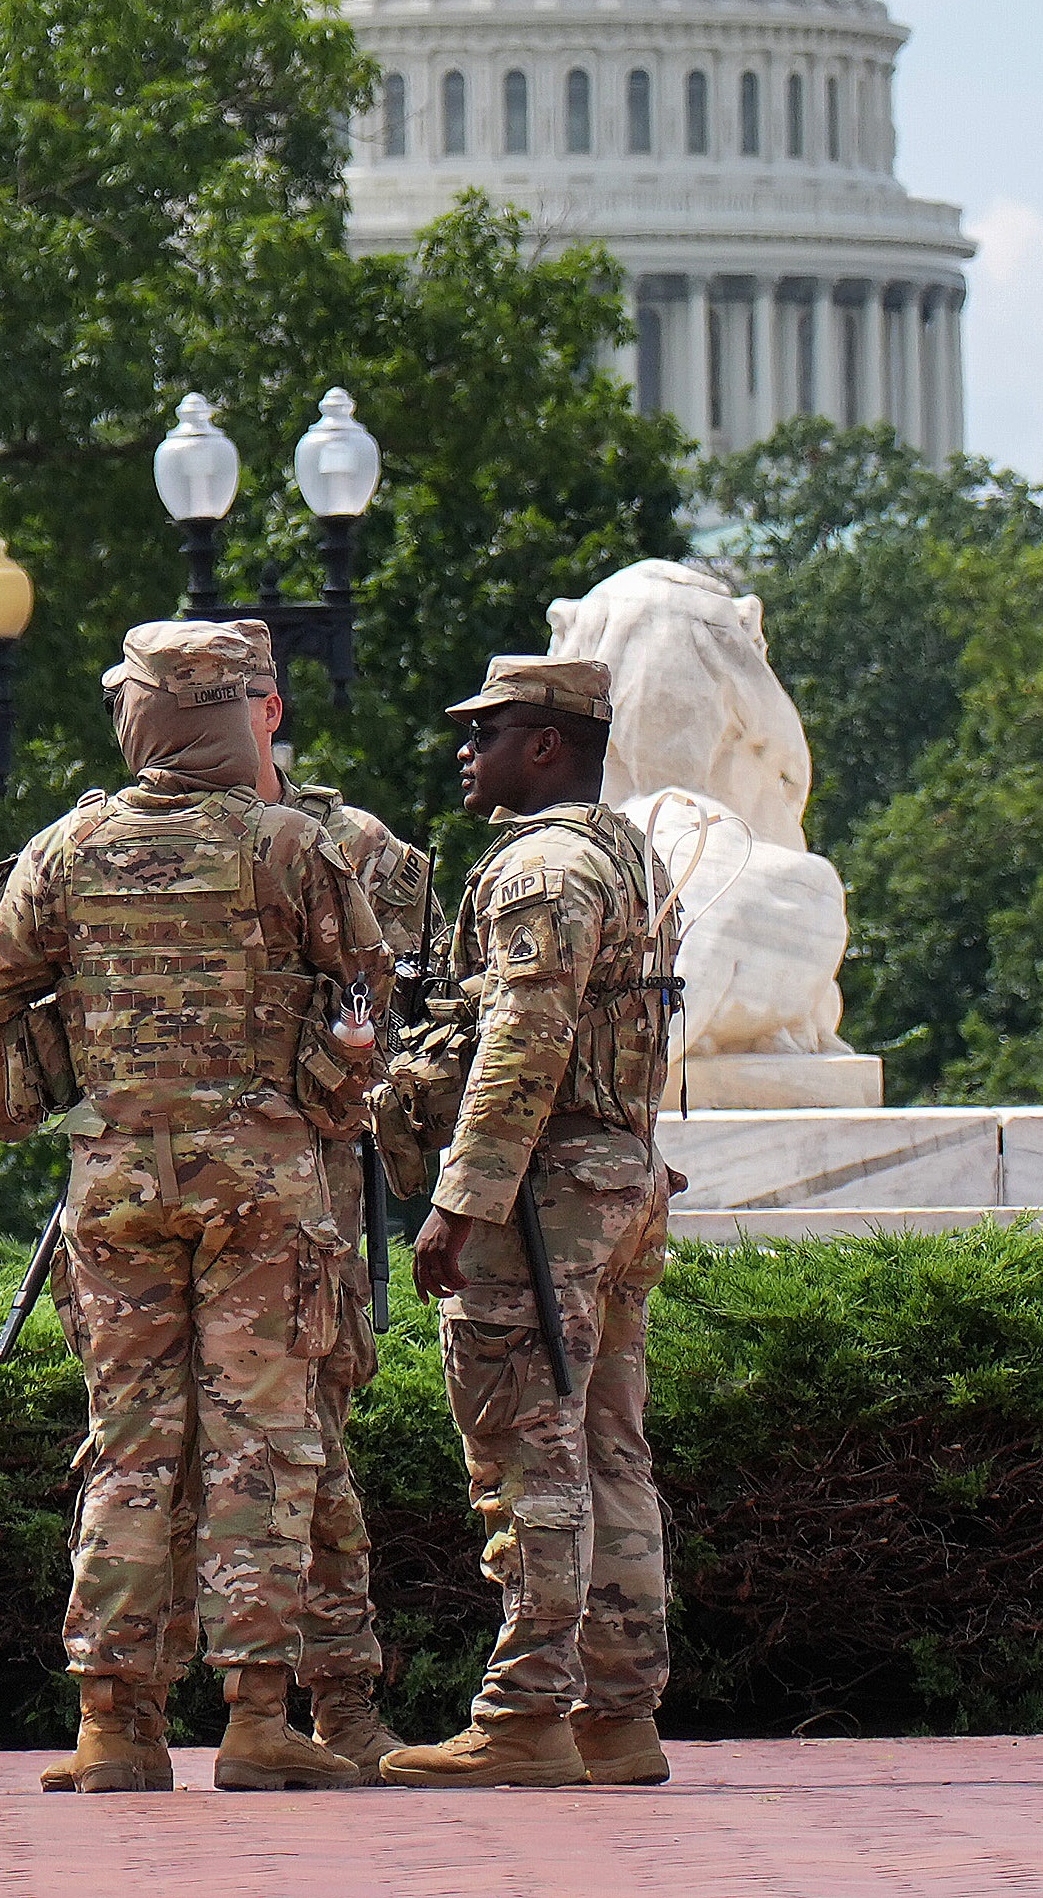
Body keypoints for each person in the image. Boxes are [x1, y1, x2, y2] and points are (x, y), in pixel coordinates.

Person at [0, 622, 385, 1794]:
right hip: (263, 1188)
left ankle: (113, 1725)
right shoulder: (291, 846)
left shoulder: (64, 847)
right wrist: (326, 1096)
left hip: (115, 1182)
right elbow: (363, 1009)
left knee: (129, 1450)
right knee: (258, 1443)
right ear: (243, 715)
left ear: (138, 719)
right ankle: (252, 1719)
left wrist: (35, 1083)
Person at [378, 656, 679, 1790]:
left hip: (542, 1195)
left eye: (487, 729)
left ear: (545, 744)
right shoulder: (624, 854)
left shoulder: (543, 870)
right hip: (614, 1179)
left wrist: (461, 1198)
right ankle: (618, 1713)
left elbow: (524, 1042)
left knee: (527, 1448)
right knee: (608, 1451)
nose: (466, 748)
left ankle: (525, 1714)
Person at [273, 704, 435, 1781]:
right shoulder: (110, 840)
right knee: (138, 1462)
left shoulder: (361, 853)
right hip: (154, 1203)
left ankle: (337, 1701)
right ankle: (127, 1714)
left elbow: (405, 1028)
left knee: (316, 1456)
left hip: (309, 1203)